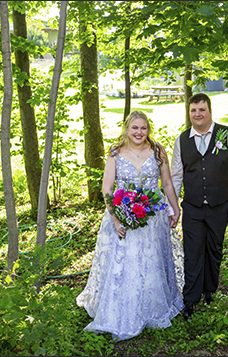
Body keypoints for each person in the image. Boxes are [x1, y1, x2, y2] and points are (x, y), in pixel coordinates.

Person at [76, 111, 185, 340]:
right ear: (127, 128)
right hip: (122, 214)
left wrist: (176, 208)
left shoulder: (157, 152)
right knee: (125, 261)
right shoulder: (115, 153)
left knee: (152, 259)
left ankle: (151, 306)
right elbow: (107, 189)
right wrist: (115, 219)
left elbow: (166, 183)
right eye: (134, 128)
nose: (139, 132)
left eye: (143, 128)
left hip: (152, 216)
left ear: (148, 130)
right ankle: (122, 306)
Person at [171, 93, 228, 320]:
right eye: (193, 111)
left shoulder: (227, 134)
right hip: (193, 207)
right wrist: (173, 208)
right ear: (189, 113)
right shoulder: (182, 140)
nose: (197, 114)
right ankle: (190, 299)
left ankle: (209, 291)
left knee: (214, 250)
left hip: (220, 206)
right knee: (192, 252)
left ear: (210, 111)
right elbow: (176, 176)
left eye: (202, 110)